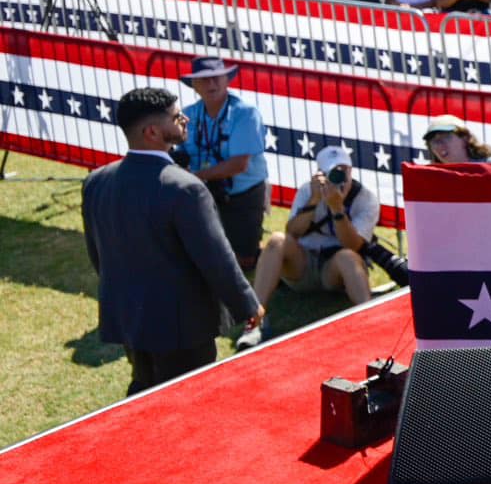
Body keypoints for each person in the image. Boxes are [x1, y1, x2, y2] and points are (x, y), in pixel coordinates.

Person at [81, 86, 264, 395]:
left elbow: (98, 254)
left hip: (130, 319)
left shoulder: (97, 181)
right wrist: (247, 305)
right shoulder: (184, 188)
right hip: (182, 327)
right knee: (187, 404)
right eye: (177, 117)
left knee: (143, 390)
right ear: (152, 131)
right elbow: (215, 259)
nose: (185, 121)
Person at [240, 146, 379, 348]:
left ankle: (371, 321)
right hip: (303, 265)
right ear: (321, 175)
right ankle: (254, 321)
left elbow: (354, 245)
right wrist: (314, 201)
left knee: (348, 256)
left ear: (351, 170)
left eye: (344, 171)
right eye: (333, 172)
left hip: (336, 270)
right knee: (277, 240)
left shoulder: (365, 198)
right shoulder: (308, 190)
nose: (340, 178)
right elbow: (292, 232)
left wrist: (337, 209)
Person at [176, 55, 273, 269]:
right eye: (204, 80)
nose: (211, 84)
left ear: (227, 80)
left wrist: (195, 178)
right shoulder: (188, 114)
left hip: (242, 191)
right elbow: (178, 152)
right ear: (194, 85)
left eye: (216, 78)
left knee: (243, 262)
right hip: (201, 190)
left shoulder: (245, 113)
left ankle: (265, 252)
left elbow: (239, 164)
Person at [422, 113, 491, 163]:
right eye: (434, 141)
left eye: (446, 137)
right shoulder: (432, 179)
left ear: (465, 138)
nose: (440, 144)